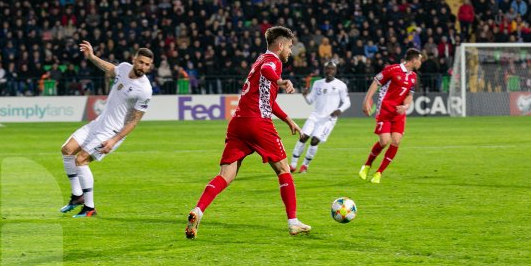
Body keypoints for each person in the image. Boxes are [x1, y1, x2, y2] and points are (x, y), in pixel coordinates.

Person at [185, 26, 311, 239]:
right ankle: (293, 222)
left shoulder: (259, 59)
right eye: (289, 47)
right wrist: (280, 81)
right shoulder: (273, 62)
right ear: (280, 46)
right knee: (283, 169)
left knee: (226, 175)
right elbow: (268, 72)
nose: (291, 51)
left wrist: (288, 120)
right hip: (257, 124)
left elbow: (267, 100)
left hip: (238, 123)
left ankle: (198, 210)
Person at [59, 41, 154, 217]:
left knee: (81, 160)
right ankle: (77, 197)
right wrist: (92, 56)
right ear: (134, 60)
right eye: (140, 62)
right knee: (67, 150)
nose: (143, 66)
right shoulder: (125, 67)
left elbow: (133, 121)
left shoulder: (145, 90)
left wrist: (114, 140)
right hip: (98, 123)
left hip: (111, 132)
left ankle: (89, 208)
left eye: (147, 64)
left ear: (150, 66)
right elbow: (110, 68)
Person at [359, 48, 422, 184]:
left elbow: (410, 95)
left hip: (399, 113)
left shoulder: (413, 77)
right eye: (420, 60)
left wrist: (405, 106)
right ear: (414, 60)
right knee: (384, 141)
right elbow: (376, 81)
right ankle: (367, 165)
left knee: (396, 141)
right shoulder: (392, 69)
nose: (420, 63)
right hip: (385, 111)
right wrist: (367, 100)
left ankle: (379, 173)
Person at [290, 61, 351, 173]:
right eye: (328, 68)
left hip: (328, 120)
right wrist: (305, 95)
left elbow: (347, 102)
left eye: (332, 69)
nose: (330, 71)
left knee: (314, 141)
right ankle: (293, 164)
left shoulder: (341, 85)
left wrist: (339, 110)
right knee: (303, 137)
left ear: (335, 71)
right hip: (315, 116)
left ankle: (305, 166)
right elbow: (310, 101)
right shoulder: (317, 83)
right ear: (324, 70)